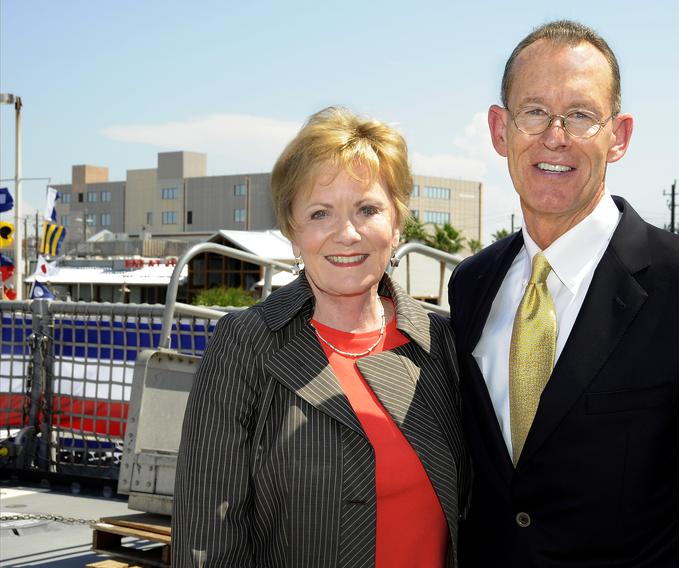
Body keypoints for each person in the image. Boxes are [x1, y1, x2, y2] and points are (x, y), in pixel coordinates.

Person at [448, 21, 679, 567]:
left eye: (582, 115)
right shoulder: (472, 285)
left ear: (619, 136)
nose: (555, 136)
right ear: (501, 129)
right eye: (534, 111)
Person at [173, 106, 468, 567]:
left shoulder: (441, 342)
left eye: (367, 209)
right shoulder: (246, 345)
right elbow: (206, 541)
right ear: (294, 232)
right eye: (319, 213)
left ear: (396, 224)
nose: (346, 234)